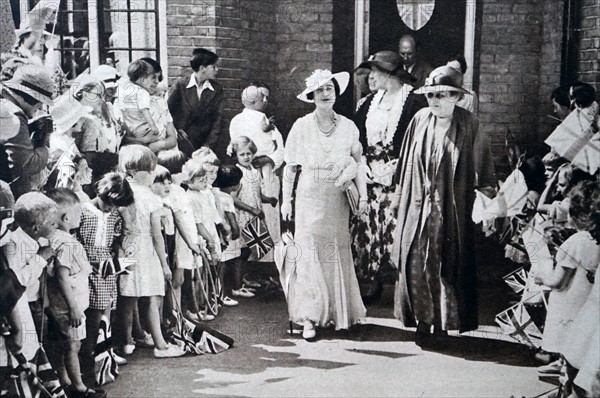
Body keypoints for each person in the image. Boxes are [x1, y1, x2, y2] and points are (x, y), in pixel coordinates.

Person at [390, 65, 497, 343]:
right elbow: (404, 164)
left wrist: (487, 205)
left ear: (457, 97)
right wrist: (398, 197)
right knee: (415, 261)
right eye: (431, 96)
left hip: (451, 209)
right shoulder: (419, 119)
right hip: (417, 205)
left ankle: (443, 323)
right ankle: (423, 320)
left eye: (443, 95)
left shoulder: (469, 124)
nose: (435, 101)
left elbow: (484, 169)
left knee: (444, 264)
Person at [281, 69, 367, 340]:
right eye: (319, 90)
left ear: (336, 92)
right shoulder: (301, 126)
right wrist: (286, 200)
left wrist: (362, 197)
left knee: (333, 252)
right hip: (309, 195)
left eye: (329, 88)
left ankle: (337, 312)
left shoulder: (349, 126)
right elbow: (290, 168)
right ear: (312, 96)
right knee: (309, 254)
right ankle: (309, 317)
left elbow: (358, 164)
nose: (326, 94)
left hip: (336, 197)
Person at [351, 51, 427, 302]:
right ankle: (372, 283)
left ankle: (405, 289)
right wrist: (362, 163)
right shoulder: (369, 103)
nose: (371, 76)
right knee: (368, 230)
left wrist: (399, 166)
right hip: (371, 177)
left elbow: (419, 142)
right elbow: (357, 139)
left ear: (388, 73)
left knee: (398, 231)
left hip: (399, 178)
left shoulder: (415, 103)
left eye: (375, 71)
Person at [116, 145, 186, 358]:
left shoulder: (120, 192)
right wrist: (165, 265)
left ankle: (127, 342)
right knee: (154, 297)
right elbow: (157, 235)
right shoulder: (149, 197)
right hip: (145, 249)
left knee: (129, 298)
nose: (153, 175)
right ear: (138, 172)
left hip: (127, 249)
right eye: (150, 171)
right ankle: (160, 345)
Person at [534, 181, 600, 382]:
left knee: (570, 345)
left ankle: (565, 380)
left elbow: (558, 281)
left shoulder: (574, 242)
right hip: (589, 304)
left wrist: (542, 278)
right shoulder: (595, 241)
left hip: (570, 304)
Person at [44, 188, 105, 398]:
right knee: (72, 346)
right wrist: (74, 308)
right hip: (69, 307)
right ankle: (78, 387)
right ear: (67, 217)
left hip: (57, 305)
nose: (81, 217)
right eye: (79, 214)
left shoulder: (52, 238)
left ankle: (66, 380)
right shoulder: (68, 243)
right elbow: (63, 276)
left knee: (62, 345)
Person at [77, 172, 134, 371]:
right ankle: (90, 353)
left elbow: (115, 240)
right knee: (95, 311)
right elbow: (77, 241)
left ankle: (105, 349)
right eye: (107, 202)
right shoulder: (83, 211)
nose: (110, 207)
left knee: (108, 309)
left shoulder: (115, 214)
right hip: (88, 265)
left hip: (107, 265)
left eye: (114, 205)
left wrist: (119, 256)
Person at [229, 83, 284, 256]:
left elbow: (279, 148)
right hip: (249, 172)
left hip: (266, 170)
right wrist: (253, 157)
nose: (266, 101)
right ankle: (254, 262)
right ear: (252, 101)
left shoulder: (265, 121)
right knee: (251, 212)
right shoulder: (248, 120)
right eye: (262, 98)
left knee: (266, 212)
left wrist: (270, 159)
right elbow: (235, 147)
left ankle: (267, 260)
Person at [0, 64, 55, 198]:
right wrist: (45, 145)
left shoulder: (5, 106)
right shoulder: (15, 114)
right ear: (28, 96)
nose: (41, 106)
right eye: (39, 101)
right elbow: (26, 166)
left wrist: (29, 128)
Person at [168, 48, 224, 157]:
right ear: (202, 68)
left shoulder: (217, 89)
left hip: (205, 146)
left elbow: (218, 119)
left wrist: (208, 146)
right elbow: (166, 111)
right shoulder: (181, 85)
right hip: (183, 142)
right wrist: (176, 129)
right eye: (213, 67)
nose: (217, 70)